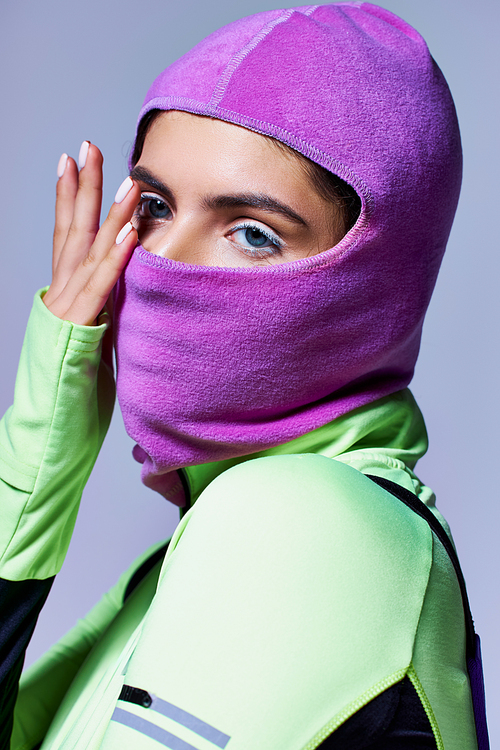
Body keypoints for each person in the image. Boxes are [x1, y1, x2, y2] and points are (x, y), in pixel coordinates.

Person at [0, 3, 485, 748]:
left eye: (252, 233)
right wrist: (43, 441)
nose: (163, 261)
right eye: (155, 208)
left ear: (373, 285)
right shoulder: (178, 564)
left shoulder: (302, 522)